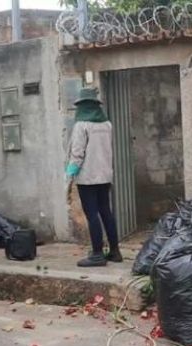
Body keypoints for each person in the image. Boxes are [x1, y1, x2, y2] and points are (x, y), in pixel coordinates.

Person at [67, 87, 122, 268]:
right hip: (105, 176)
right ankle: (114, 251)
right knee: (106, 211)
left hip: (88, 177)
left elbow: (77, 153)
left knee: (92, 215)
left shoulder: (81, 126)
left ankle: (97, 254)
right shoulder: (107, 125)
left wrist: (70, 175)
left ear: (81, 106)